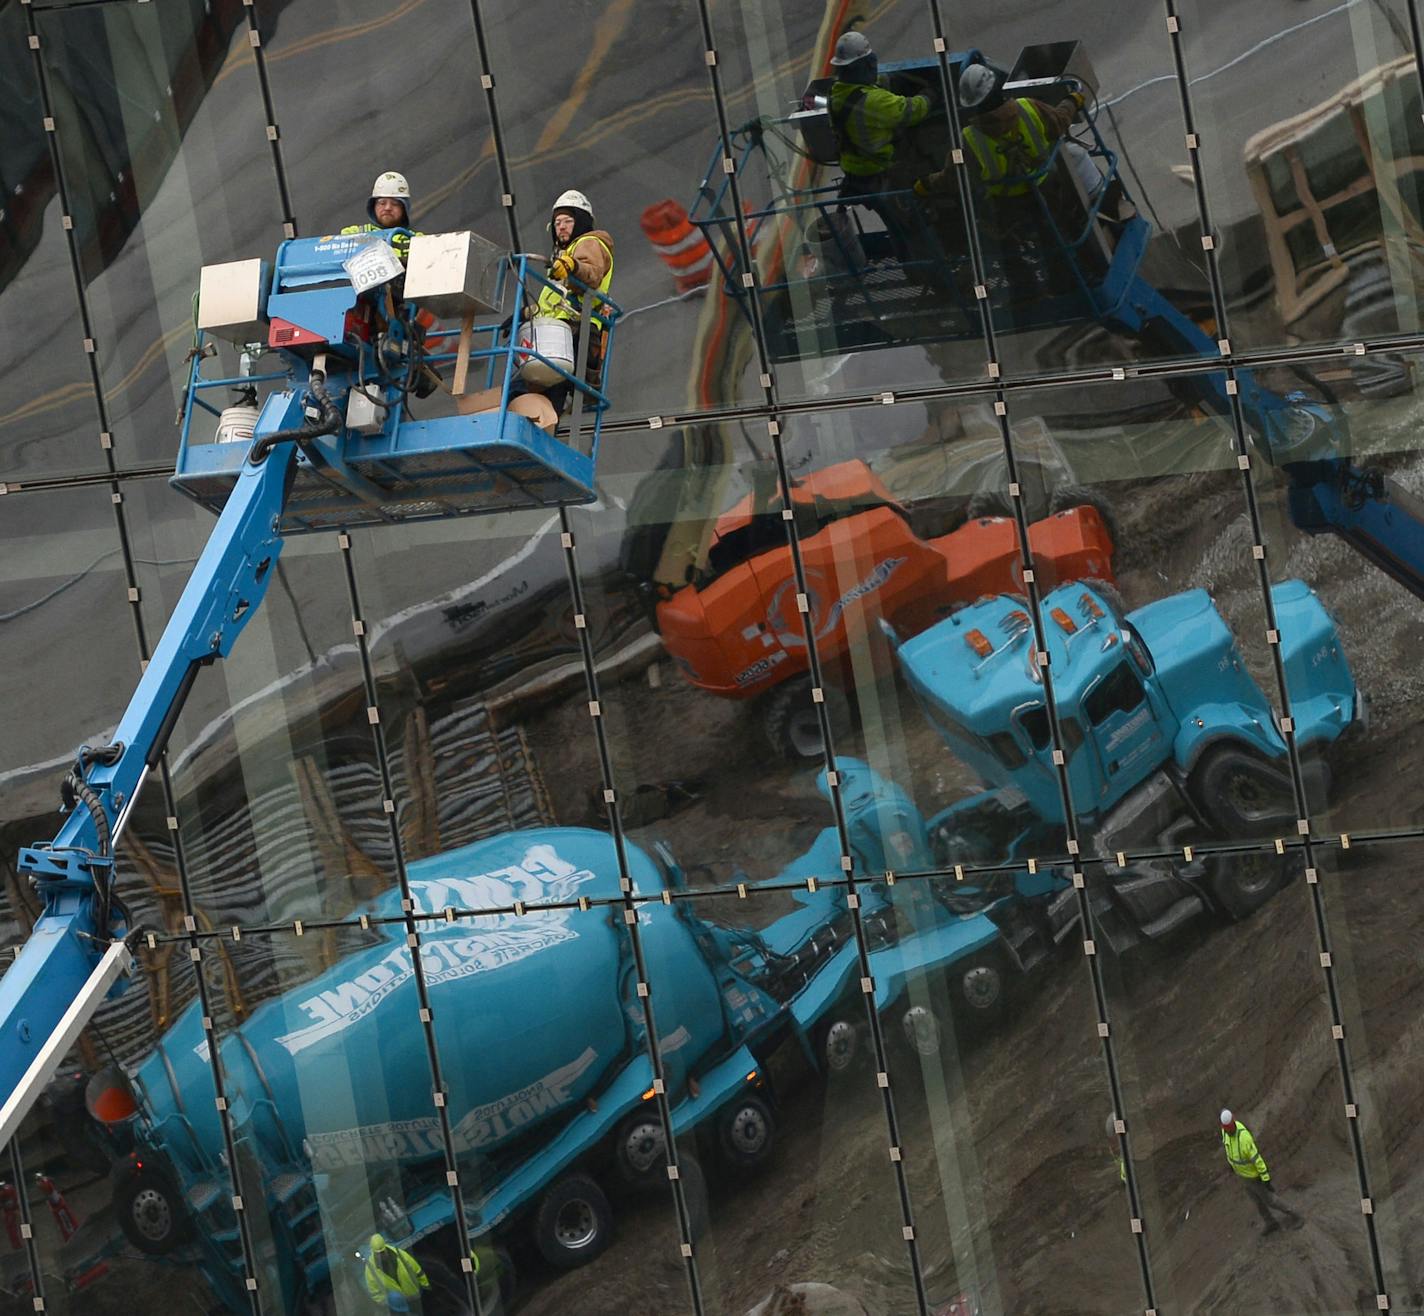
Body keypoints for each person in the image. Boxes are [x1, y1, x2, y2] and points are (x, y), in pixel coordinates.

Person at [826, 30, 934, 261]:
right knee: (912, 228)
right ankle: (928, 272)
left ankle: (913, 265)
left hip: (857, 175)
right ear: (864, 66)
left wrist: (892, 81)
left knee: (896, 227)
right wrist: (929, 94)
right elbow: (912, 110)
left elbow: (870, 91)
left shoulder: (836, 94)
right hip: (883, 174)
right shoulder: (875, 103)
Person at [526, 188, 614, 414]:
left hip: (574, 330)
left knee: (549, 391)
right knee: (533, 392)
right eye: (557, 223)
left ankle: (541, 429)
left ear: (581, 222)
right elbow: (555, 300)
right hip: (556, 330)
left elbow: (591, 273)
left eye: (567, 221)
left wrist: (572, 266)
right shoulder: (562, 258)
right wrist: (528, 312)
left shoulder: (590, 243)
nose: (561, 227)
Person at [1219, 1108, 1305, 1234]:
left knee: (1271, 1201)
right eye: (1226, 1127)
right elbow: (1229, 1147)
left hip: (1253, 1177)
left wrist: (1265, 1179)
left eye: (1229, 1126)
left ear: (1233, 1121)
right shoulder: (1224, 1132)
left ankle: (1296, 1215)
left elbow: (1257, 1160)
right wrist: (1232, 1164)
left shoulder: (1244, 1139)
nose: (1228, 1129)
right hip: (1243, 1176)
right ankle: (1270, 1222)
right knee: (1257, 1201)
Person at [342, 171, 421, 261]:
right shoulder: (354, 234)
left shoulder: (417, 240)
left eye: (395, 204)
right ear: (373, 206)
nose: (388, 208)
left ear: (404, 208)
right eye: (382, 203)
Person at [359, 1232, 430, 1309]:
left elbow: (418, 1271)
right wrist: (388, 1303)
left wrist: (426, 1286)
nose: (381, 1256)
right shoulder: (370, 1269)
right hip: (400, 1305)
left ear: (385, 1247)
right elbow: (375, 1292)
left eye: (382, 1252)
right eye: (378, 1253)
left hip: (417, 1296)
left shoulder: (399, 1254)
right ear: (373, 1251)